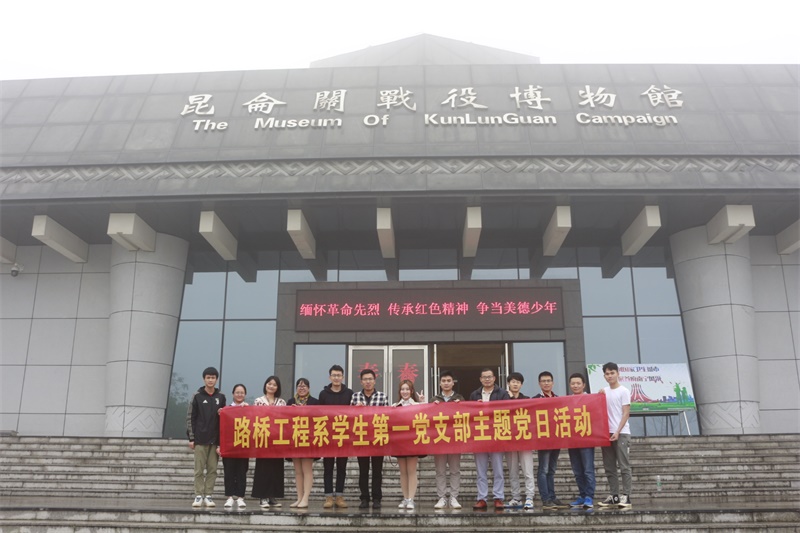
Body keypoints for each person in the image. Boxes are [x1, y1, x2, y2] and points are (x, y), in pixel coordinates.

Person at [469, 367, 510, 510]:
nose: (487, 379)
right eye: (484, 377)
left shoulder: (503, 393)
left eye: (489, 377)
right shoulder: (474, 394)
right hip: (480, 436)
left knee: (498, 469)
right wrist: (477, 407)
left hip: (496, 435)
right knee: (481, 471)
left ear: (494, 378)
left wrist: (490, 407)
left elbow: (507, 411)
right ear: (480, 379)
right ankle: (482, 498)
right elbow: (469, 414)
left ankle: (498, 497)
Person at [187, 366, 226, 508]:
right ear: (204, 379)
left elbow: (224, 420)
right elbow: (190, 417)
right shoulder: (197, 396)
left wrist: (221, 442)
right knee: (198, 469)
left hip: (214, 440)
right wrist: (191, 438)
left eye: (213, 378)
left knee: (212, 469)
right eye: (208, 377)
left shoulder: (221, 397)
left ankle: (208, 495)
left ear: (216, 379)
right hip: (200, 439)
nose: (210, 380)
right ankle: (198, 495)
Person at [350, 368, 389, 509]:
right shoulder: (355, 397)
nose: (368, 382)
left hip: (377, 438)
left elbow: (388, 416)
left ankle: (377, 498)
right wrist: (356, 410)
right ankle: (364, 498)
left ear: (374, 381)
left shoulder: (382, 396)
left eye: (370, 379)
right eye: (365, 379)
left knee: (377, 470)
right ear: (361, 381)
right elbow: (349, 417)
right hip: (361, 439)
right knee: (363, 470)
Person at [597, 362, 633, 509]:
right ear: (604, 376)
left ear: (618, 374)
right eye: (607, 373)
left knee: (624, 466)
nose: (610, 376)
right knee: (609, 466)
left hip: (621, 433)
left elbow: (626, 413)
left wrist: (618, 431)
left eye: (612, 373)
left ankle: (626, 496)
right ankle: (614, 495)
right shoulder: (603, 392)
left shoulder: (624, 391)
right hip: (606, 433)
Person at [318, 364, 354, 509]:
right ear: (330, 377)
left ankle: (339, 496)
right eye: (334, 375)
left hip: (343, 436)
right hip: (327, 436)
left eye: (339, 375)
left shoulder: (349, 393)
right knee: (328, 467)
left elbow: (353, 414)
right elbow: (319, 414)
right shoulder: (323, 394)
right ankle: (328, 497)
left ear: (343, 377)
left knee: (341, 467)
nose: (336, 378)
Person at [533, 370, 568, 509]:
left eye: (548, 381)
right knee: (543, 469)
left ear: (552, 383)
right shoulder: (535, 400)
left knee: (552, 470)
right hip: (543, 440)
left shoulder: (558, 399)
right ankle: (545, 499)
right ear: (539, 384)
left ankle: (552, 497)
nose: (546, 383)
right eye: (543, 381)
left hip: (556, 439)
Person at [430, 370, 465, 510]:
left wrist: (460, 406)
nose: (446, 383)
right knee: (440, 471)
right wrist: (431, 406)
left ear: (453, 383)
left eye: (448, 381)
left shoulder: (459, 398)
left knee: (455, 470)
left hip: (455, 440)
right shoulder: (434, 399)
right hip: (439, 440)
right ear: (440, 383)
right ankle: (442, 497)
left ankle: (454, 497)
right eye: (443, 381)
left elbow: (466, 416)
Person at [251, 376, 287, 508]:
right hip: (263, 438)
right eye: (269, 384)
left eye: (274, 385)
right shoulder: (258, 401)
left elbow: (285, 418)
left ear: (278, 388)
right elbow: (254, 417)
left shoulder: (282, 402)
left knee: (276, 468)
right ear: (265, 385)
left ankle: (273, 496)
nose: (271, 386)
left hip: (277, 439)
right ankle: (263, 496)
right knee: (263, 468)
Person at [505, 371, 536, 510]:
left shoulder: (527, 399)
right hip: (509, 440)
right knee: (513, 472)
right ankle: (516, 497)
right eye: (513, 382)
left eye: (518, 382)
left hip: (525, 440)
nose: (515, 384)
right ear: (508, 383)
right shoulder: (503, 399)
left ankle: (529, 497)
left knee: (527, 471)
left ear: (521, 385)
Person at [287, 377, 319, 509]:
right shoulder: (290, 402)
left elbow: (319, 419)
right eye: (299, 386)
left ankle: (306, 498)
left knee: (307, 469)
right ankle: (299, 498)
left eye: (304, 386)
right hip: (294, 438)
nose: (302, 388)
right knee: (298, 471)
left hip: (308, 439)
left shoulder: (315, 402)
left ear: (309, 388)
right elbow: (285, 419)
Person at [566, 372, 596, 509]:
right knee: (577, 471)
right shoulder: (567, 401)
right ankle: (582, 495)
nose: (575, 385)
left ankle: (589, 496)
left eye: (578, 383)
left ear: (584, 385)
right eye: (573, 383)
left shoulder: (590, 399)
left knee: (588, 470)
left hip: (587, 440)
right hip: (572, 441)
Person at [393, 380, 421, 510]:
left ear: (412, 391)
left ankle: (411, 499)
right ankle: (405, 498)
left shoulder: (417, 405)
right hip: (399, 443)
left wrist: (422, 403)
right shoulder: (395, 406)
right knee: (403, 472)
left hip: (413, 442)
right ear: (399, 392)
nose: (405, 392)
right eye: (402, 389)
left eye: (407, 389)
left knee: (411, 470)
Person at [222, 384, 250, 509]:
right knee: (229, 472)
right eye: (237, 392)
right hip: (229, 446)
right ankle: (229, 497)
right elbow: (222, 429)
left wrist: (249, 409)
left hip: (243, 446)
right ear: (233, 394)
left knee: (242, 472)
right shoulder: (226, 409)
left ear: (245, 395)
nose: (239, 394)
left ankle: (240, 497)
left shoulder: (248, 409)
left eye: (242, 392)